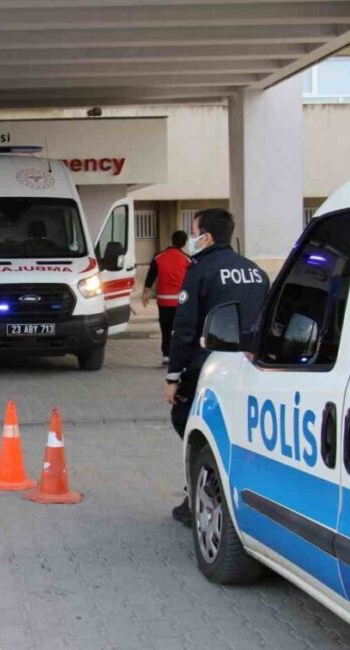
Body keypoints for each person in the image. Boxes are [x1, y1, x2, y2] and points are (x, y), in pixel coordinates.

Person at [164, 209, 269, 527]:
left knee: (188, 421)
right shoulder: (255, 271)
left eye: (194, 231)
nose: (192, 237)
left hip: (209, 368)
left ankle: (200, 496)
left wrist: (173, 376)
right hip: (251, 368)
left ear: (206, 236)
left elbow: (184, 328)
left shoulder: (200, 271)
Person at [141, 230, 191, 366]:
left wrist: (146, 291)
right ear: (184, 243)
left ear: (172, 240)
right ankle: (179, 355)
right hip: (180, 301)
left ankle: (166, 355)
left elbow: (151, 275)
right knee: (180, 329)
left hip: (163, 300)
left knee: (165, 328)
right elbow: (191, 280)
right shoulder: (187, 259)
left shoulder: (159, 257)